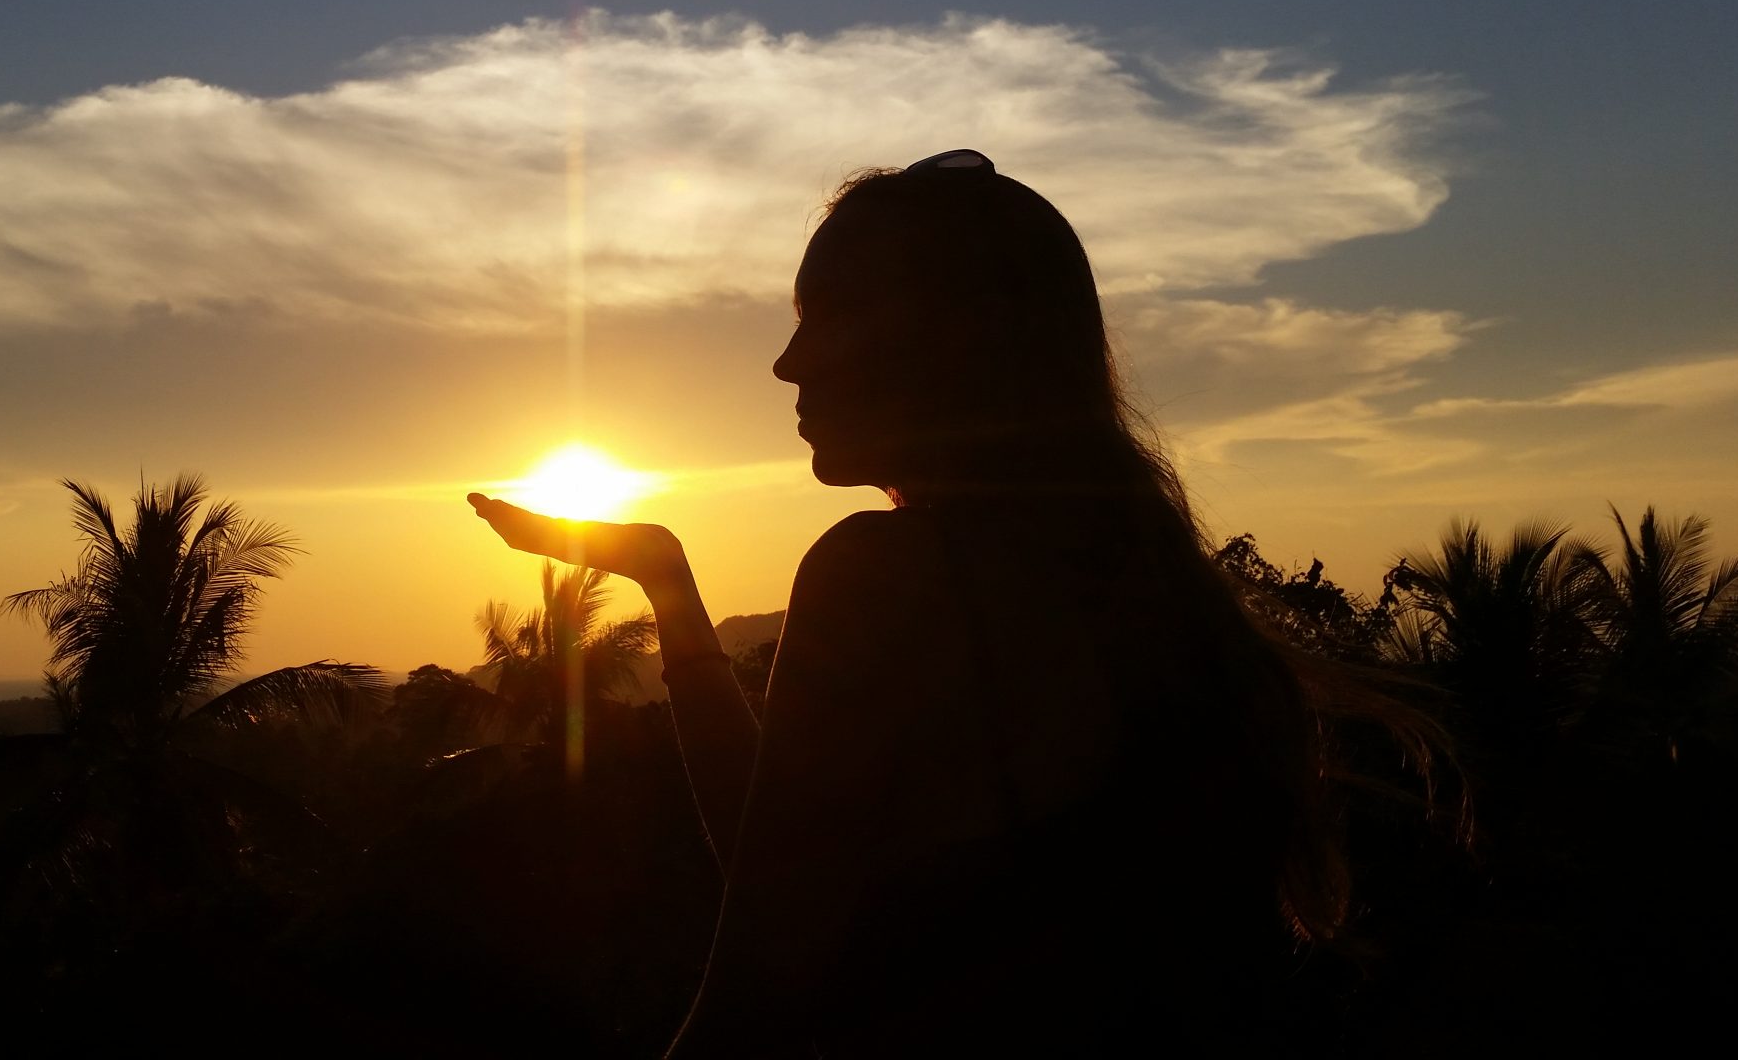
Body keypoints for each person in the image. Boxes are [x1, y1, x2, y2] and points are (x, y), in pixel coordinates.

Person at [468, 150, 1338, 1055]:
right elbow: (786, 875)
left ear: (956, 337)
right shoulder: (1153, 600)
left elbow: (757, 988)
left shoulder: (890, 574)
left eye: (833, 315)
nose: (785, 362)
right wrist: (668, 581)